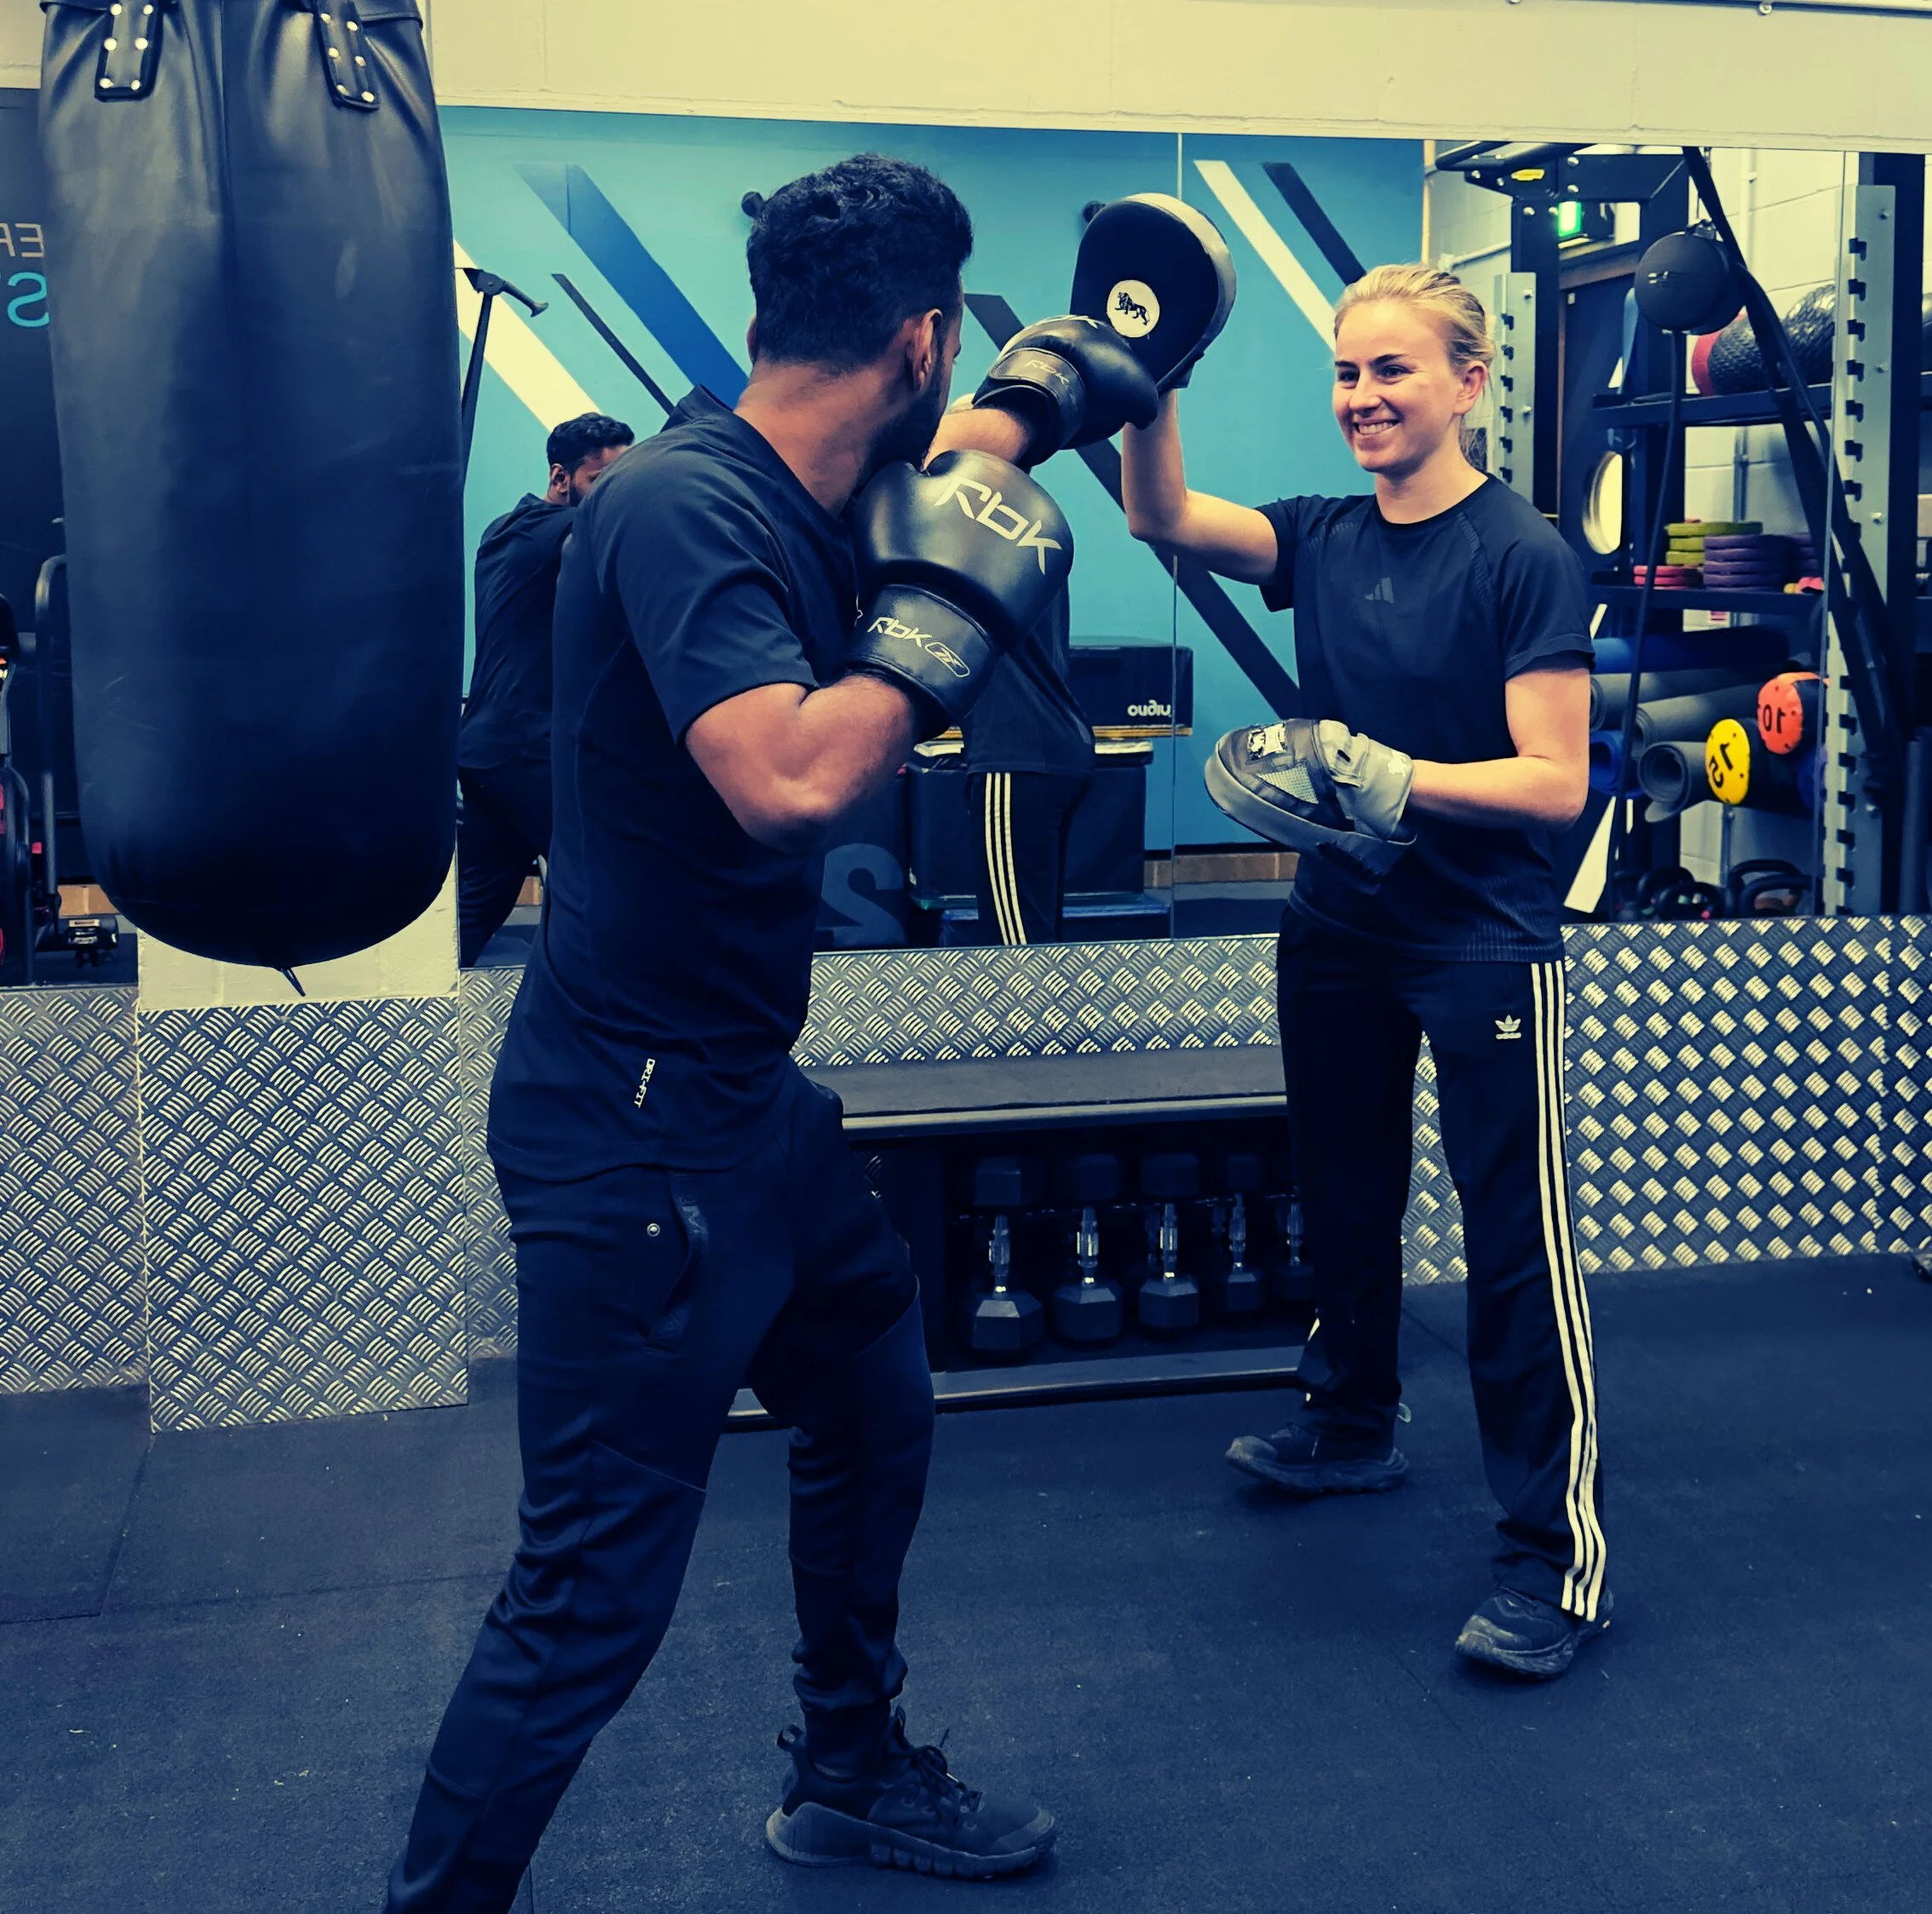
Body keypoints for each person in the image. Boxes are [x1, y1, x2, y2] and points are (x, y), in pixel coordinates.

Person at [385, 152, 1156, 1911]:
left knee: (877, 1402)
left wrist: (1042, 398)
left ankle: (849, 1769)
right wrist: (952, 609)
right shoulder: (676, 507)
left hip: (750, 1108)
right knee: (587, 1593)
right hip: (633, 1130)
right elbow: (793, 782)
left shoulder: (830, 466)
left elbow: (955, 456)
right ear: (915, 334)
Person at [1121, 263, 1607, 1681]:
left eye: (1391, 371)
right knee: (1337, 1192)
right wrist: (1153, 384)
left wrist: (1395, 775)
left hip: (1475, 939)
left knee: (1514, 1250)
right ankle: (1347, 1425)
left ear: (1464, 382)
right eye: (1345, 373)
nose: (1360, 398)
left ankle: (1549, 1556)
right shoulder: (1321, 535)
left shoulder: (1520, 552)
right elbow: (1159, 516)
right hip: (1336, 923)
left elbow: (1552, 777)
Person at [456, 412, 634, 967]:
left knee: (481, 899)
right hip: (523, 750)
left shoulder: (506, 529)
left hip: (487, 755)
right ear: (562, 479)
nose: (617, 495)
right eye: (602, 482)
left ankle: (424, 1018)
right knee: (604, 875)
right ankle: (581, 1015)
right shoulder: (550, 535)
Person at [959, 580, 1094, 944]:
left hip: (1014, 754)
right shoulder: (1031, 537)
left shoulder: (968, 540)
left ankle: (1034, 1003)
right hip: (1054, 743)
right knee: (1034, 940)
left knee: (1017, 954)